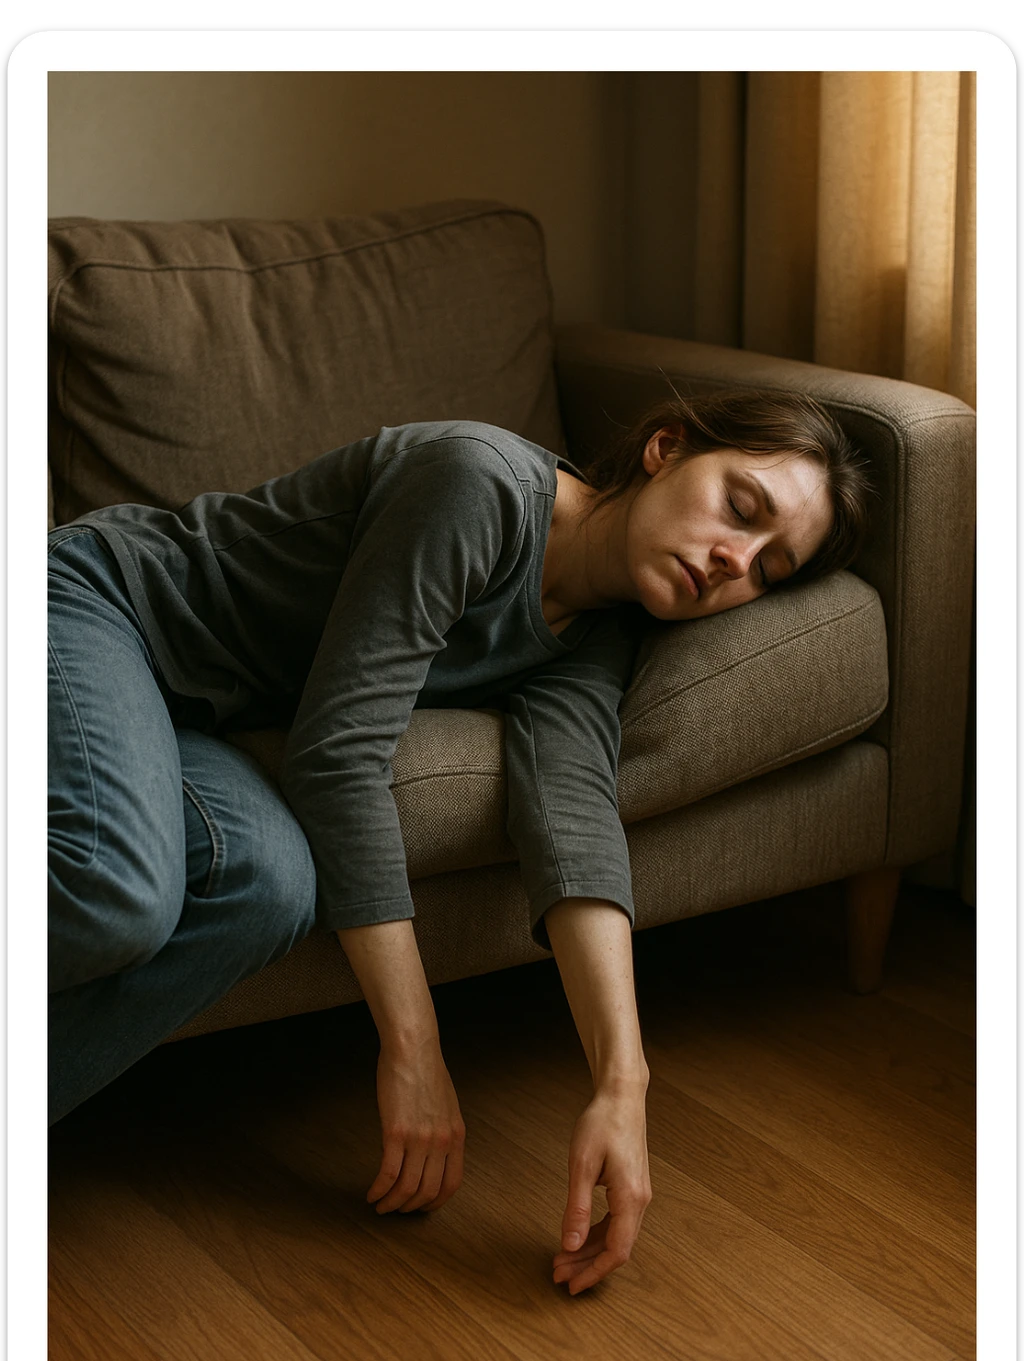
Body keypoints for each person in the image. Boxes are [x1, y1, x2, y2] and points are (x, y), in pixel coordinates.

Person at [47, 389, 871, 1296]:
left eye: (769, 567)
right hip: (96, 606)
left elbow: (572, 823)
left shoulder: (598, 633)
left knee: (272, 891)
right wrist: (414, 1049)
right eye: (739, 509)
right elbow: (336, 752)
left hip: (198, 718)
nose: (734, 561)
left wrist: (623, 1085)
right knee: (120, 893)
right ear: (664, 449)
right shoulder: (477, 484)